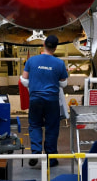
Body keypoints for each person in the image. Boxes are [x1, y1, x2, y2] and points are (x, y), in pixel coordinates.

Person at [20, 34, 68, 167]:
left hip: (35, 99)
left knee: (35, 125)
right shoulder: (59, 63)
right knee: (52, 128)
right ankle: (51, 158)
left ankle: (35, 152)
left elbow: (24, 80)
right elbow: (63, 83)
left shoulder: (32, 61)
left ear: (43, 45)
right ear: (56, 48)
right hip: (52, 100)